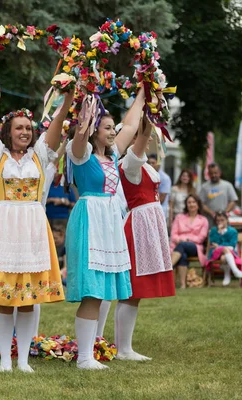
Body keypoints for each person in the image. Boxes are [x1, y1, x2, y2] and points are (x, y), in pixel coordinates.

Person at [0, 93, 71, 373]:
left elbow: (56, 126)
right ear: (8, 131)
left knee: (27, 299)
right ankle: (5, 360)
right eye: (19, 128)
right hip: (5, 228)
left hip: (32, 229)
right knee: (4, 298)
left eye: (28, 128)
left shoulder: (39, 154)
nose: (25, 132)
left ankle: (24, 360)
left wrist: (67, 101)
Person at [65, 88, 149, 370]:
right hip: (90, 218)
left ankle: (88, 353)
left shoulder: (112, 156)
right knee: (91, 289)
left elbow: (133, 123)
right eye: (107, 127)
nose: (113, 132)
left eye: (114, 127)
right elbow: (79, 137)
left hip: (109, 221)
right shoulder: (81, 153)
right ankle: (84, 357)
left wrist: (143, 90)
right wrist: (86, 115)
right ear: (94, 130)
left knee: (100, 290)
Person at [109, 116, 175, 361]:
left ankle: (124, 347)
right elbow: (145, 137)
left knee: (135, 292)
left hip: (147, 227)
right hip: (137, 228)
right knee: (132, 290)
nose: (147, 141)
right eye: (140, 136)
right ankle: (123, 349)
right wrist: (148, 108)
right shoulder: (129, 164)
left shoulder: (142, 165)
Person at [170, 194, 209, 289]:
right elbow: (173, 234)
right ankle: (183, 285)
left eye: (193, 202)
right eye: (189, 202)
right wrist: (180, 240)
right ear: (186, 205)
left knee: (183, 245)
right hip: (178, 246)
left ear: (198, 205)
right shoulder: (179, 217)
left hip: (195, 247)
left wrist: (186, 239)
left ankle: (169, 267)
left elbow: (201, 238)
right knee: (182, 255)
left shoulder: (203, 220)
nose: (191, 204)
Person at [206, 212, 242, 286]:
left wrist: (220, 246)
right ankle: (235, 271)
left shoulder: (233, 231)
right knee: (225, 249)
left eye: (222, 220)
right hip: (215, 253)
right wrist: (219, 233)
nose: (220, 222)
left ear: (227, 220)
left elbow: (232, 244)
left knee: (224, 256)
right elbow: (213, 242)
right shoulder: (214, 231)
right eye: (218, 220)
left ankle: (227, 274)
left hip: (229, 252)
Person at [147, 154, 171, 219]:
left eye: (153, 163)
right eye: (149, 163)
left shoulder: (165, 178)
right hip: (148, 211)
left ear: (158, 164)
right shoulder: (146, 175)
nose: (150, 165)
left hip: (160, 212)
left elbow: (162, 198)